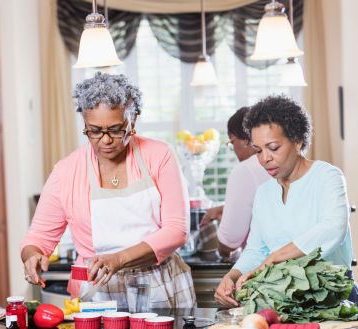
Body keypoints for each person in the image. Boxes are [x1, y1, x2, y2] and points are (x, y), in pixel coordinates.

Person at [21, 72, 195, 309]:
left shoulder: (159, 155)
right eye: (94, 130)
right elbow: (37, 239)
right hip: (97, 292)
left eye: (115, 129)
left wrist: (120, 259)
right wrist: (32, 255)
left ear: (133, 120)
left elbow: (177, 230)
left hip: (157, 285)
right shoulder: (66, 171)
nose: (105, 140)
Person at [215, 95, 354, 307]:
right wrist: (232, 276)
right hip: (283, 302)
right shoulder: (264, 193)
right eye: (258, 150)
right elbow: (256, 249)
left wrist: (273, 259)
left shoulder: (327, 177)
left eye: (273, 147)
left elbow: (333, 228)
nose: (264, 159)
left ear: (297, 140)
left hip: (333, 300)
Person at [200, 107, 270, 258]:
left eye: (232, 142)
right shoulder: (277, 162)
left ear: (245, 139)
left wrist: (220, 250)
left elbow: (230, 241)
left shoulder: (244, 170)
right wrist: (226, 209)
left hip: (263, 266)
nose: (233, 149)